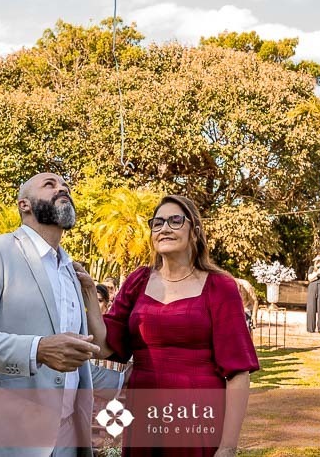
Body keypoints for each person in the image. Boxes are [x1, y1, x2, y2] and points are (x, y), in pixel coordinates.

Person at [0, 172, 117, 456]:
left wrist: (126, 382)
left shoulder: (72, 273)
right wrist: (38, 349)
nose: (62, 188)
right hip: (4, 441)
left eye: (66, 186)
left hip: (67, 441)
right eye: (50, 185)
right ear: (24, 204)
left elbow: (72, 366)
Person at [80, 194, 260, 457]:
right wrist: (89, 297)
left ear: (195, 231)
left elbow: (237, 374)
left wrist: (228, 447)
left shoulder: (220, 287)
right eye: (158, 222)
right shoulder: (137, 281)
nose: (164, 228)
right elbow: (106, 346)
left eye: (175, 220)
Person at [305, 255, 320, 333]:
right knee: (311, 307)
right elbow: (310, 278)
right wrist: (317, 273)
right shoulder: (311, 268)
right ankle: (310, 328)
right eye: (317, 261)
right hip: (312, 286)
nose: (318, 262)